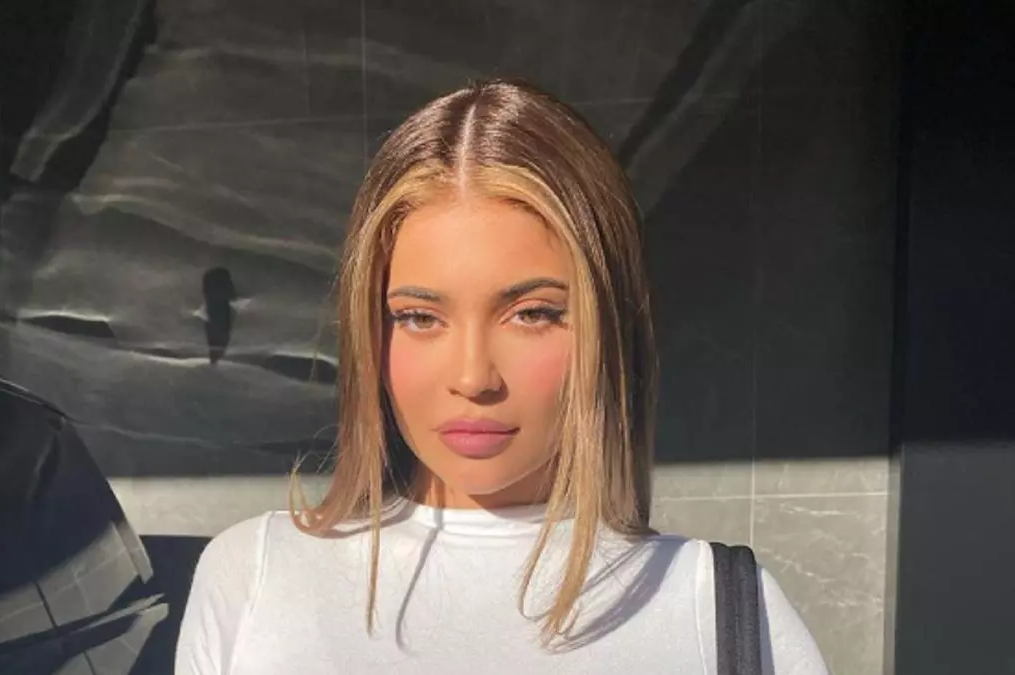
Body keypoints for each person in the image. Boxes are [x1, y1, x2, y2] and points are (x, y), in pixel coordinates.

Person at [175, 78, 828, 674]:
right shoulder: (255, 578)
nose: (473, 377)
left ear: (608, 325)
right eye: (420, 317)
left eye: (532, 314)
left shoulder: (720, 610)